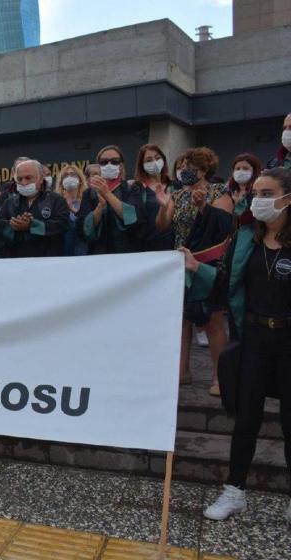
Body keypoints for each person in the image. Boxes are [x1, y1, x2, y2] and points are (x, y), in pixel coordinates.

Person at [183, 167, 291, 523]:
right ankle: (235, 491)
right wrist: (196, 267)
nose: (256, 200)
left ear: (287, 198)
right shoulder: (246, 237)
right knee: (246, 420)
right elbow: (226, 284)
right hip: (254, 340)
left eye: (265, 193)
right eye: (255, 193)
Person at [156, 147, 232, 393]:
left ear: (203, 169)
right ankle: (182, 371)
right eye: (182, 167)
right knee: (183, 320)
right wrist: (162, 205)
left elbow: (223, 226)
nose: (185, 171)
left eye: (190, 167)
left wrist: (203, 207)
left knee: (213, 321)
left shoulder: (218, 191)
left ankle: (219, 377)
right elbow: (163, 226)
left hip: (207, 264)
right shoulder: (177, 195)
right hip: (180, 264)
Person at [76, 145, 146, 255]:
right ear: (99, 166)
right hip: (98, 256)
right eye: (104, 162)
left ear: (121, 166)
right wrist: (100, 206)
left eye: (114, 161)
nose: (109, 165)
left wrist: (107, 194)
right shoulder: (89, 193)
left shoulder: (131, 188)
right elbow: (83, 229)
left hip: (127, 255)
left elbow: (136, 218)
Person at [0, 159, 70, 258]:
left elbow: (64, 225)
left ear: (41, 178)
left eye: (28, 178)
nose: (24, 182)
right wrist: (12, 225)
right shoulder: (10, 202)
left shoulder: (56, 200)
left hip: (48, 260)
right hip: (16, 260)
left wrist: (33, 225)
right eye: (19, 179)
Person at [133, 144, 174, 251]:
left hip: (170, 247)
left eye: (157, 158)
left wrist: (163, 207)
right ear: (142, 165)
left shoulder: (173, 186)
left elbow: (164, 225)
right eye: (148, 160)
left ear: (163, 159)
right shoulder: (137, 188)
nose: (154, 162)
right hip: (144, 247)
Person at [56, 164, 88, 256]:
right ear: (61, 182)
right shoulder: (56, 202)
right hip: (62, 250)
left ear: (80, 180)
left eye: (73, 175)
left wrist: (73, 209)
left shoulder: (86, 202)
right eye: (66, 175)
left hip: (82, 250)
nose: (69, 177)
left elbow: (88, 226)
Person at [227, 153, 263, 227]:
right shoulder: (228, 191)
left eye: (245, 168)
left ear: (254, 171)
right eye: (237, 169)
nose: (241, 171)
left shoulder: (260, 192)